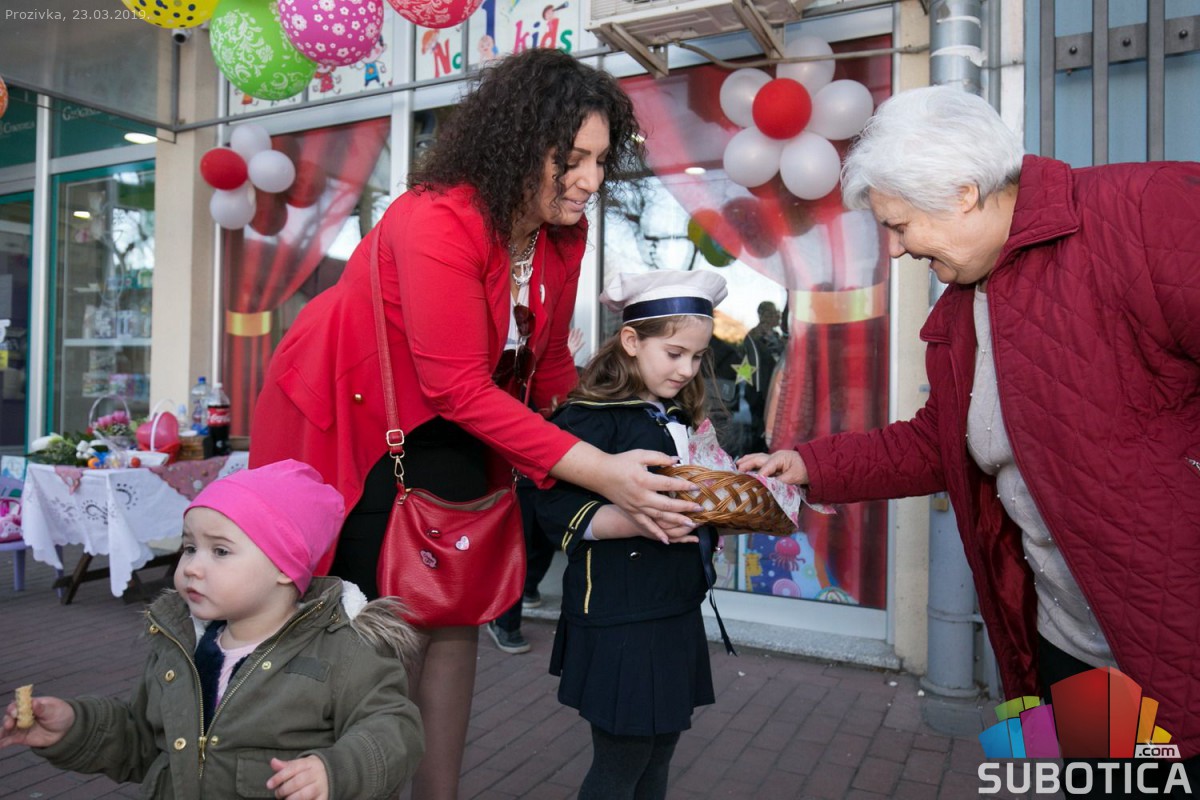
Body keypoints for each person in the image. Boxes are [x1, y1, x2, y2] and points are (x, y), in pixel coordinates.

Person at [249, 48, 702, 799]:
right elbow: (456, 385)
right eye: (572, 160)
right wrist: (599, 470)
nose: (590, 180)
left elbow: (548, 366)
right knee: (384, 627)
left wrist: (613, 440)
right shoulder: (437, 219)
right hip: (358, 423)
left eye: (601, 160)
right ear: (518, 145)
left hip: (456, 424)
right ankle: (357, 779)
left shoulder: (560, 233)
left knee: (453, 612)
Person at [739, 86, 1200, 790]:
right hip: (1072, 645)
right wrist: (807, 464)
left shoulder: (1144, 210)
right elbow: (941, 443)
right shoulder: (965, 304)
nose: (896, 249)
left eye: (898, 225)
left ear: (962, 193)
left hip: (1174, 647)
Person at [0, 460, 424, 799]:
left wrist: (336, 771)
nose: (191, 567)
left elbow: (394, 729)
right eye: (189, 547)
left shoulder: (342, 651)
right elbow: (143, 740)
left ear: (284, 566)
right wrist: (74, 727)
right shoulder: (180, 646)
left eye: (219, 551)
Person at [536, 270, 731, 800]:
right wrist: (629, 518)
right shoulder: (588, 417)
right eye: (674, 353)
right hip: (620, 615)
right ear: (630, 341)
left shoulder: (680, 415)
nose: (687, 369)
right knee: (623, 758)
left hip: (674, 607)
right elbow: (547, 502)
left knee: (660, 749)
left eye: (697, 357)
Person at [487, 327, 588, 655]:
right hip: (517, 471)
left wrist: (561, 362)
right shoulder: (506, 367)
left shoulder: (551, 367)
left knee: (545, 539)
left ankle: (529, 588)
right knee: (520, 543)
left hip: (548, 470)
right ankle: (505, 622)